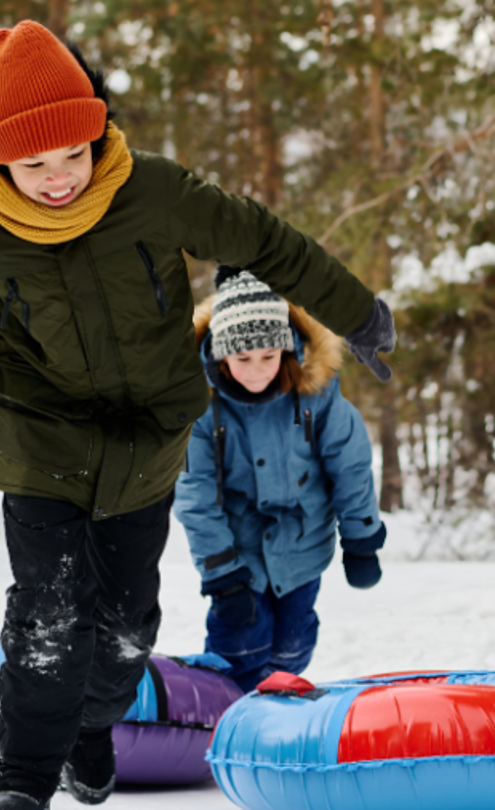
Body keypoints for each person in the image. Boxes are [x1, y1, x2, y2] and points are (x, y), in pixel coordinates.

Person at [0, 21, 396, 810]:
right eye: (34, 164)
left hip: (149, 437)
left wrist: (355, 313)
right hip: (43, 434)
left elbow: (264, 240)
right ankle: (21, 781)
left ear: (98, 133)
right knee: (49, 611)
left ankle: (91, 729)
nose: (59, 179)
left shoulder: (151, 191)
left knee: (127, 631)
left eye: (73, 154)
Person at [174, 268, 386, 692]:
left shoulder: (317, 393)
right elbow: (195, 492)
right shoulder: (199, 403)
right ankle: (223, 714)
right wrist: (220, 572)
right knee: (240, 647)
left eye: (269, 358)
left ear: (287, 351)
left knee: (293, 645)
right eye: (242, 360)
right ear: (219, 355)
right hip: (238, 552)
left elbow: (351, 464)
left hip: (303, 544)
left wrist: (361, 539)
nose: (256, 372)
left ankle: (277, 713)